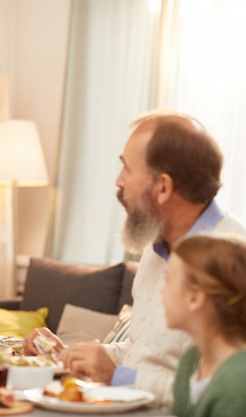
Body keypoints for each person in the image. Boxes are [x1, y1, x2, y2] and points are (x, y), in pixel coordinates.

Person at [23, 109, 246, 410]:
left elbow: (210, 392)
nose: (119, 181)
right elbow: (144, 350)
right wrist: (74, 354)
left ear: (163, 187)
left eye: (127, 168)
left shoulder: (232, 262)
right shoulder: (156, 249)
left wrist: (119, 376)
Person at [162, 234, 246, 416]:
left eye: (168, 280)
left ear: (195, 298)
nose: (162, 291)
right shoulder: (191, 362)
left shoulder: (238, 383)